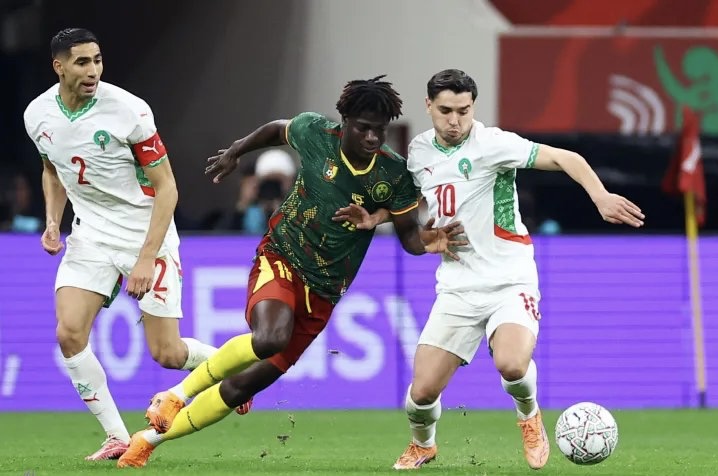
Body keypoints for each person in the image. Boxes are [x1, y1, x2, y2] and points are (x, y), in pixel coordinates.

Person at [116, 75, 466, 468]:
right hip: (281, 257)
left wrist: (430, 241)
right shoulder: (315, 132)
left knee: (242, 386)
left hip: (326, 292)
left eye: (379, 130)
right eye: (363, 128)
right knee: (269, 337)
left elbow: (409, 237)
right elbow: (276, 130)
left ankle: (147, 441)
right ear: (344, 122)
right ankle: (175, 395)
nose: (371, 138)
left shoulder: (393, 175)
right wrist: (237, 150)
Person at [335, 69, 645, 470]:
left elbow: (566, 157)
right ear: (429, 106)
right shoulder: (419, 152)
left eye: (463, 111)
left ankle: (529, 416)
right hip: (457, 286)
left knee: (511, 364)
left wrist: (600, 196)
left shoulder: (494, 144)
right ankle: (423, 445)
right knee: (421, 393)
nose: (455, 120)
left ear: (473, 107)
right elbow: (408, 202)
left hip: (509, 279)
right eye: (445, 110)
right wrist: (376, 218)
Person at [22, 28, 219, 461]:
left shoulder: (129, 110)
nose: (93, 70)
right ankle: (117, 436)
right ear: (59, 67)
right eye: (82, 62)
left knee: (168, 353)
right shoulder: (37, 114)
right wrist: (53, 221)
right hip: (91, 232)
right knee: (69, 333)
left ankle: (230, 367)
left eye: (97, 60)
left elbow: (167, 187)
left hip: (145, 232)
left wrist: (146, 259)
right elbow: (52, 171)